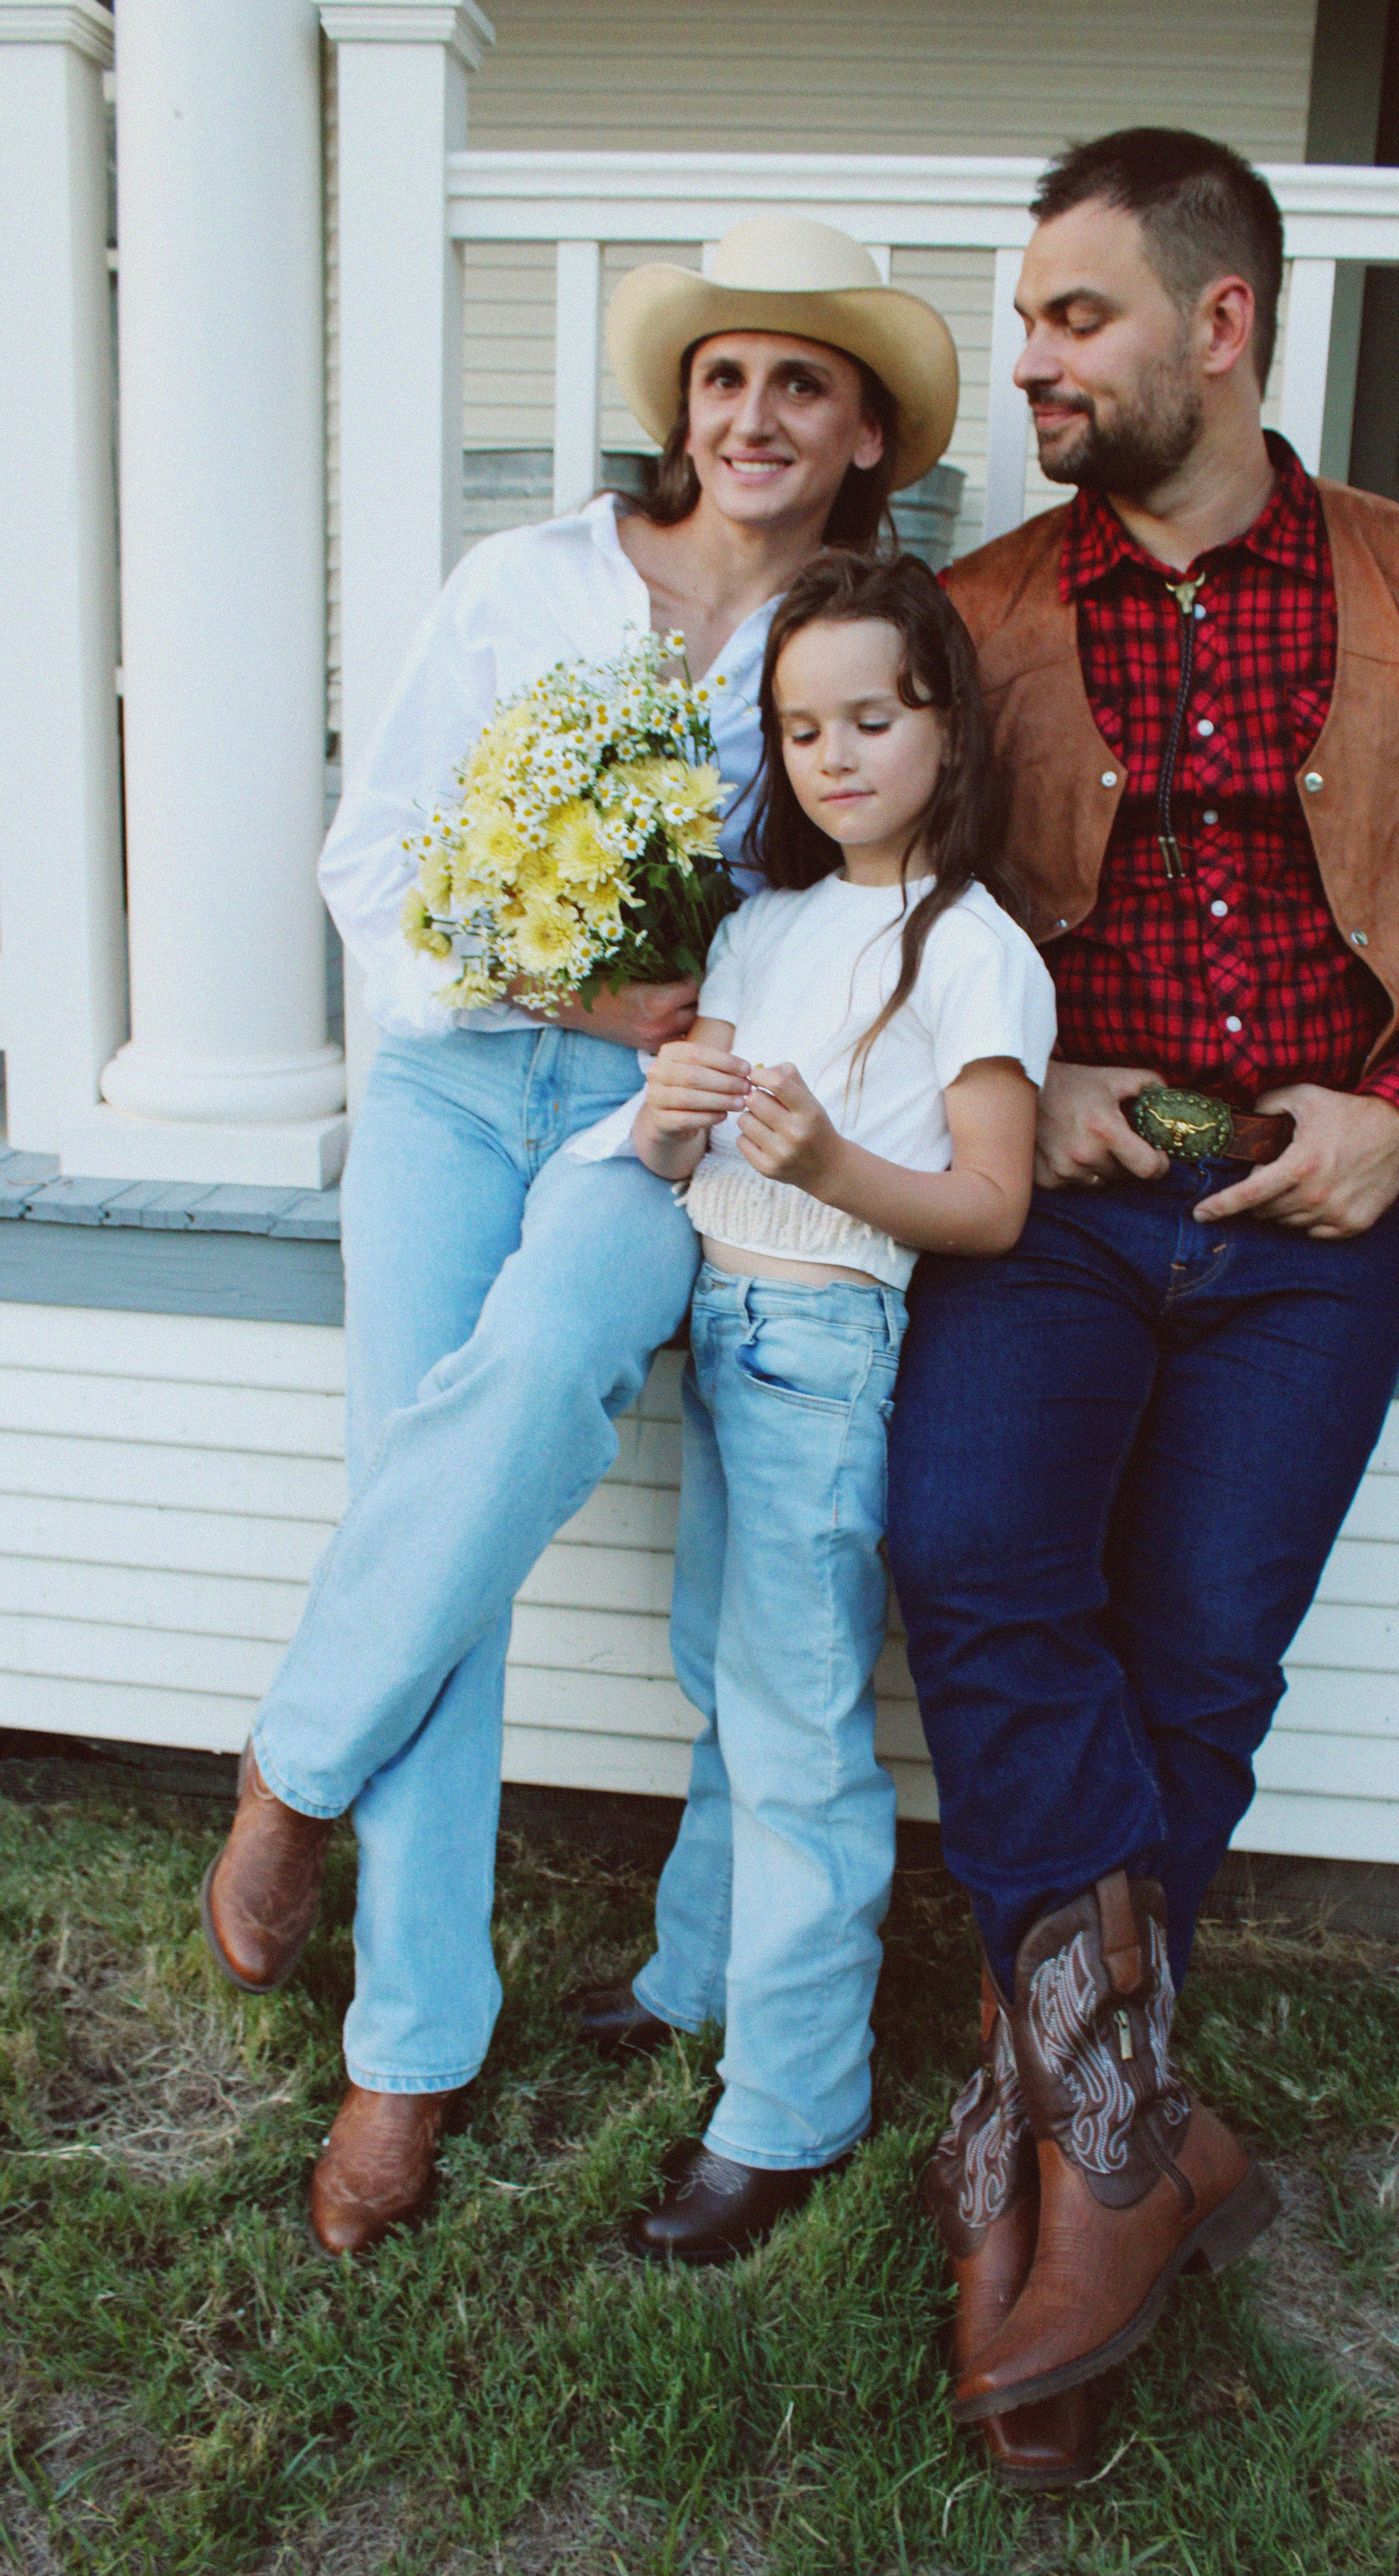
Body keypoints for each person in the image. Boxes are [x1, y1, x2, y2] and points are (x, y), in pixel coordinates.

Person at [891, 126, 1399, 2466]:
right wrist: (1038, 1069)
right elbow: (898, 912)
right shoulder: (977, 614)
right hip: (1069, 1195)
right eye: (1029, 322)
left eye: (1077, 317)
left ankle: (1060, 2148)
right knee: (978, 1553)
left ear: (1223, 322)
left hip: (1323, 1205)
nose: (1034, 361)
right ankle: (1128, 2138)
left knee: (1199, 1657)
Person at [196, 218, 959, 2257]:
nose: (756, 413)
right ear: (678, 410)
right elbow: (373, 861)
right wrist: (551, 977)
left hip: (664, 1126)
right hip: (464, 1083)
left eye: (804, 381)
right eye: (725, 378)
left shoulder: (866, 640)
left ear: (867, 426)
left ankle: (296, 1753)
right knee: (433, 1505)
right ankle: (406, 2052)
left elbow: (891, 881)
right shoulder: (525, 584)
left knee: (539, 1372)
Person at [567, 552, 1057, 2272]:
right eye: (802, 728)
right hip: (720, 1326)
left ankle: (788, 2100)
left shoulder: (973, 950)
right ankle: (692, 1977)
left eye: (872, 717)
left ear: (946, 725)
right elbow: (696, 1136)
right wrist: (676, 1106)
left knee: (796, 1743)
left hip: (827, 1352)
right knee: (724, 1680)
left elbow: (990, 1202)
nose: (835, 754)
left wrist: (838, 1162)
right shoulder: (767, 921)